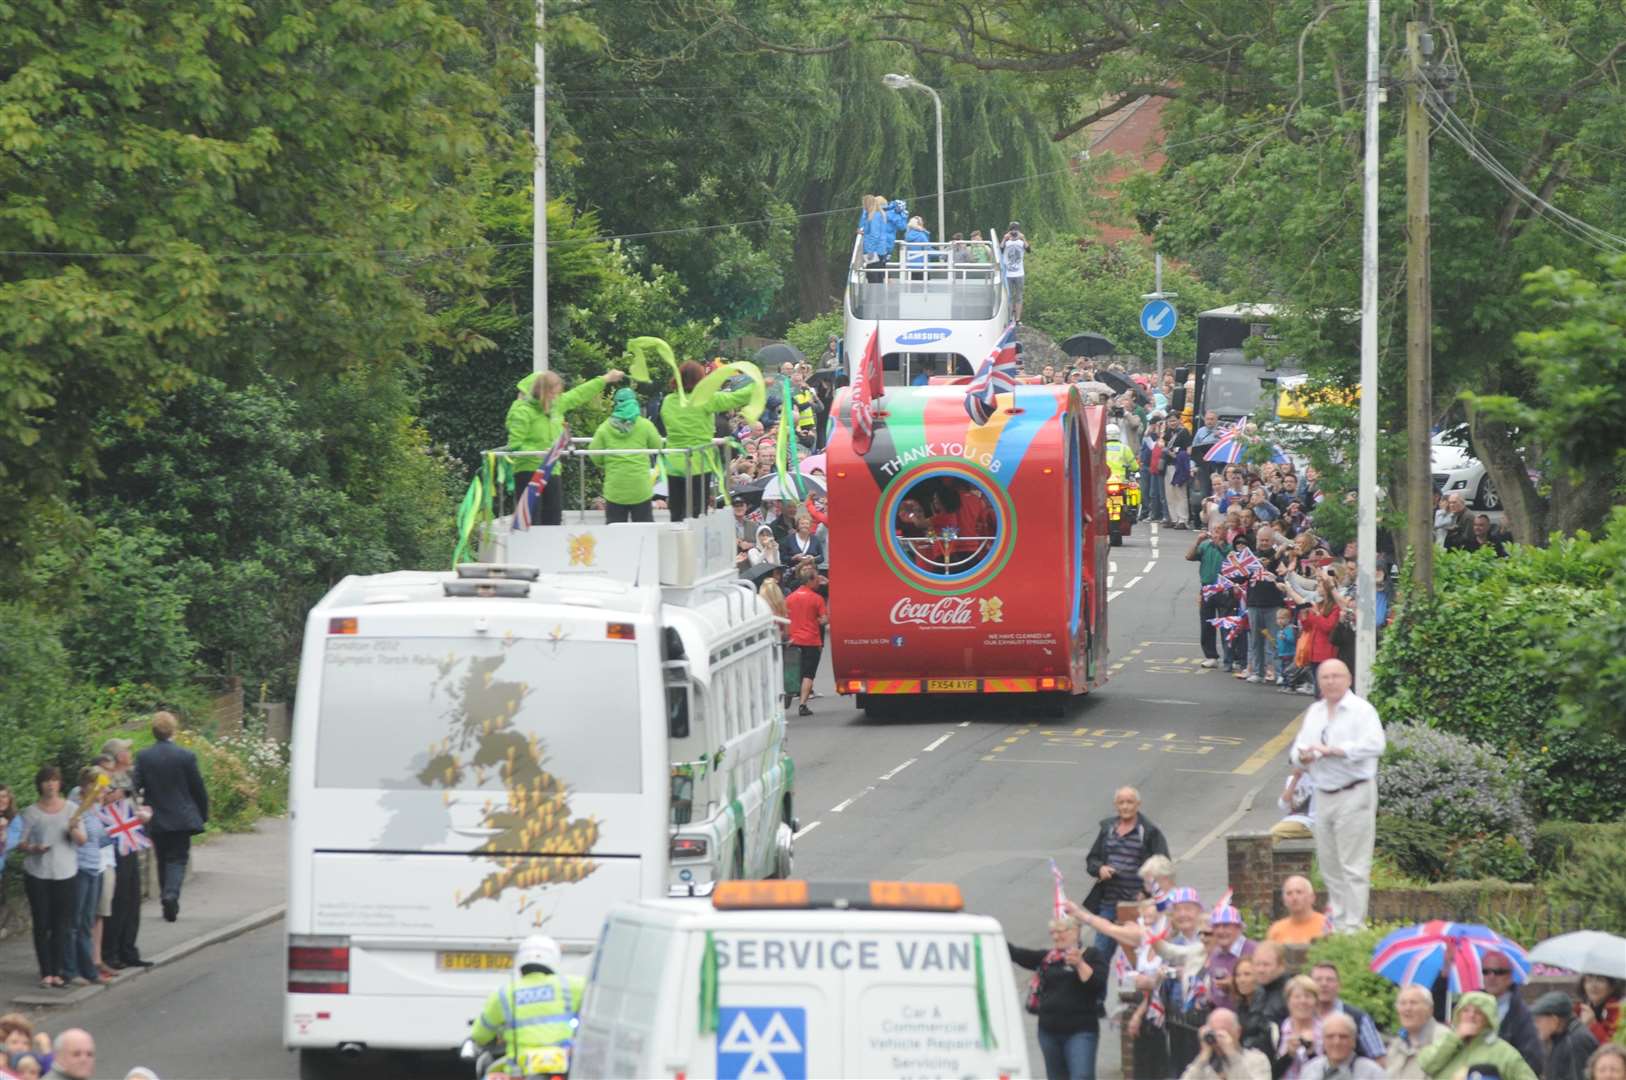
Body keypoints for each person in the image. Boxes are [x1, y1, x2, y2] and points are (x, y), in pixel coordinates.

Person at [1289, 659, 1383, 931]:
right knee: (1329, 863)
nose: (1330, 681)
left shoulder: (1362, 711)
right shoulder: (1315, 711)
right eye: (1325, 677)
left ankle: (1354, 926)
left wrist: (1334, 750)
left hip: (1354, 790)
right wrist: (1304, 755)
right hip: (1324, 792)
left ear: (1348, 679)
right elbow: (1297, 750)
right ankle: (1339, 921)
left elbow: (1376, 745)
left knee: (1353, 864)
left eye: (1336, 676)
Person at [508, 367, 623, 525]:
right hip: (528, 471)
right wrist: (536, 452)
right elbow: (514, 445)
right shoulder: (522, 412)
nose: (557, 396)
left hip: (551, 469)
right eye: (554, 393)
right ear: (544, 392)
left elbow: (579, 394)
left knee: (554, 518)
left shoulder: (557, 404)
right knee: (530, 521)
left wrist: (606, 378)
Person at [1008, 914, 1108, 1080]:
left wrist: (1079, 964)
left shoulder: (1092, 955)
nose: (1055, 936)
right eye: (1052, 932)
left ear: (1075, 931)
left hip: (1080, 1032)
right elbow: (1018, 954)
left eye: (1060, 931)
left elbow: (1097, 985)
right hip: (1049, 1032)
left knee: (1081, 1076)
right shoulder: (1048, 958)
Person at [468, 935, 582, 1077]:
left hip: (520, 1071)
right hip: (564, 1066)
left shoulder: (504, 993)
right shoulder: (573, 985)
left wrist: (478, 1039)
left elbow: (480, 1035)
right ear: (554, 958)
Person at [133, 710, 209, 923]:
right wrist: (202, 814)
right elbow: (198, 788)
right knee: (177, 858)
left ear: (153, 731)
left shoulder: (144, 757)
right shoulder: (186, 756)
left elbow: (135, 785)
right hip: (181, 817)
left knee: (162, 857)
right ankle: (170, 894)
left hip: (156, 817)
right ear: (173, 730)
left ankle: (167, 901)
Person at [662, 361, 756, 520]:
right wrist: (759, 385)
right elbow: (737, 397)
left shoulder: (668, 401)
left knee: (676, 511)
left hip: (674, 463)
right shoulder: (705, 399)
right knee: (697, 512)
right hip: (698, 463)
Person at [1081, 787, 1170, 949]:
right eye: (1121, 802)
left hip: (1138, 907)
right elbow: (1092, 859)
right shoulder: (1108, 829)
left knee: (1139, 953)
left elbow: (1164, 866)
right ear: (1116, 805)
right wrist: (1100, 868)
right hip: (1109, 904)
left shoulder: (1149, 832)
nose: (1125, 807)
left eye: (1129, 802)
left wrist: (1145, 892)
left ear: (1138, 804)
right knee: (1100, 953)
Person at [19, 766, 78, 988]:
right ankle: (46, 971)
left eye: (54, 780)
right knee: (42, 923)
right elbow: (21, 843)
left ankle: (59, 969)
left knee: (61, 924)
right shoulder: (31, 812)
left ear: (60, 783)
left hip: (65, 871)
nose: (51, 785)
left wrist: (74, 829)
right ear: (40, 785)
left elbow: (82, 839)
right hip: (39, 873)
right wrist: (33, 848)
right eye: (46, 781)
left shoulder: (72, 809)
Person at [1418, 991, 1539, 1080]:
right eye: (1465, 1010)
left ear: (1489, 1018)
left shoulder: (1504, 1053)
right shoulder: (1447, 1042)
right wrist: (1455, 1037)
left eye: (1478, 1012)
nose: (1471, 1016)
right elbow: (1426, 1064)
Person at [587, 388, 663, 523]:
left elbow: (594, 453)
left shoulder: (605, 427)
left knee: (616, 537)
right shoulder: (645, 425)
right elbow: (658, 446)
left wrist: (607, 463)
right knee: (644, 534)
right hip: (641, 488)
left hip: (615, 489)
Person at [68, 769, 113, 986]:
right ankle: (72, 969)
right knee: (75, 921)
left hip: (94, 868)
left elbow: (102, 839)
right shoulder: (77, 808)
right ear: (87, 786)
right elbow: (80, 839)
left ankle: (89, 970)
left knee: (86, 921)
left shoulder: (95, 809)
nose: (105, 790)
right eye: (100, 786)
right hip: (79, 869)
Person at [1481, 949, 1547, 1075]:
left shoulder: (1521, 1014)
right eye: (1486, 971)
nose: (1491, 977)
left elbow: (1533, 1061)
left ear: (1509, 977)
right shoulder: (1470, 1008)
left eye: (1499, 972)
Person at [1311, 964, 1387, 1063]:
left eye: (1330, 980)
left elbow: (1379, 1059)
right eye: (1318, 980)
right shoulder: (1300, 1018)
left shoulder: (1358, 1018)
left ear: (1339, 985)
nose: (1324, 984)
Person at [1183, 1009, 1275, 1080]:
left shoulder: (1257, 1060)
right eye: (1214, 1033)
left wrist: (1232, 1055)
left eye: (1224, 1033)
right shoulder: (1206, 1065)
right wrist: (1203, 1058)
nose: (1218, 1040)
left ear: (1238, 1032)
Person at [784, 565, 828, 717]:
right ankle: (803, 704)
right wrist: (817, 619)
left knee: (795, 672)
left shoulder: (789, 598)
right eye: (816, 579)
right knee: (808, 673)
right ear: (810, 580)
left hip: (793, 640)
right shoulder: (817, 598)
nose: (818, 582)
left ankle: (789, 692)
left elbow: (785, 619)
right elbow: (823, 620)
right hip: (811, 640)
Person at [1189, 523, 1230, 668]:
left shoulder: (1229, 547)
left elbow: (1232, 560)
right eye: (1214, 530)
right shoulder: (1205, 546)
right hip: (1206, 589)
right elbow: (1189, 556)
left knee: (1226, 624)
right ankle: (1211, 655)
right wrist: (1198, 542)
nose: (1216, 533)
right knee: (1207, 623)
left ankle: (1230, 657)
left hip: (1224, 589)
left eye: (1219, 530)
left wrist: (1220, 546)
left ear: (1226, 533)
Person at [1387, 984, 1448, 1079]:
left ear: (1430, 1009)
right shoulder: (1396, 1044)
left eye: (1413, 1003)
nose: (1407, 1008)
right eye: (1403, 1003)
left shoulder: (1443, 1038)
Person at [1534, 991, 1598, 1080]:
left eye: (1538, 1021)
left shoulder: (1577, 1041)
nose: (1536, 1026)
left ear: (1554, 1020)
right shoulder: (1561, 1037)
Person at [1303, 1014, 1386, 1079]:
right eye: (1330, 1036)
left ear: (1353, 1041)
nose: (1336, 1042)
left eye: (1343, 1037)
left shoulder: (1372, 1073)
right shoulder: (1310, 1070)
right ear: (1323, 1041)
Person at [1279, 975, 1328, 1080]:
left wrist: (1311, 1052)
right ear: (1288, 1001)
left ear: (1316, 1001)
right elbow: (1272, 1073)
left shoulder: (1326, 1031)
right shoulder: (1278, 1030)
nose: (1303, 1001)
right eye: (1297, 997)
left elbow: (1329, 1073)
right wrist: (1288, 1055)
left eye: (1308, 996)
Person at [1268, 876, 1330, 945]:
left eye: (1299, 892)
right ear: (1284, 901)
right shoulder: (1276, 930)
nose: (1294, 898)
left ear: (1312, 897)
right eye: (1289, 893)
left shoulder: (1327, 926)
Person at [1252, 943, 1293, 1028]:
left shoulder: (1290, 992)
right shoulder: (1257, 991)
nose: (1261, 970)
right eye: (1257, 964)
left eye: (1266, 965)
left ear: (1281, 966)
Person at [1579, 976, 1625, 1045]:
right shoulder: (1581, 1008)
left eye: (1600, 980)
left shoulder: (1619, 1011)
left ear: (1612, 987)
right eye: (1589, 980)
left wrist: (1592, 1024)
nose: (1593, 985)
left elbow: (1613, 1049)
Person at [1002, 221, 1028, 322]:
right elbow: (1000, 249)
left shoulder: (1021, 242)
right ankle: (1009, 317)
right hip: (1008, 274)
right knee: (1009, 295)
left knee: (1019, 296)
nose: (1014, 232)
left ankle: (1018, 318)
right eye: (1012, 230)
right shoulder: (1006, 241)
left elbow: (1029, 249)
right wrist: (1004, 238)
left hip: (1019, 273)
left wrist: (1023, 238)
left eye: (1015, 230)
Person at [903, 215, 932, 281]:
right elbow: (928, 249)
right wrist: (942, 254)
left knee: (912, 288)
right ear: (919, 224)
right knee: (924, 288)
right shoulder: (921, 235)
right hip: (922, 266)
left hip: (910, 266)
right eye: (922, 222)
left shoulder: (907, 235)